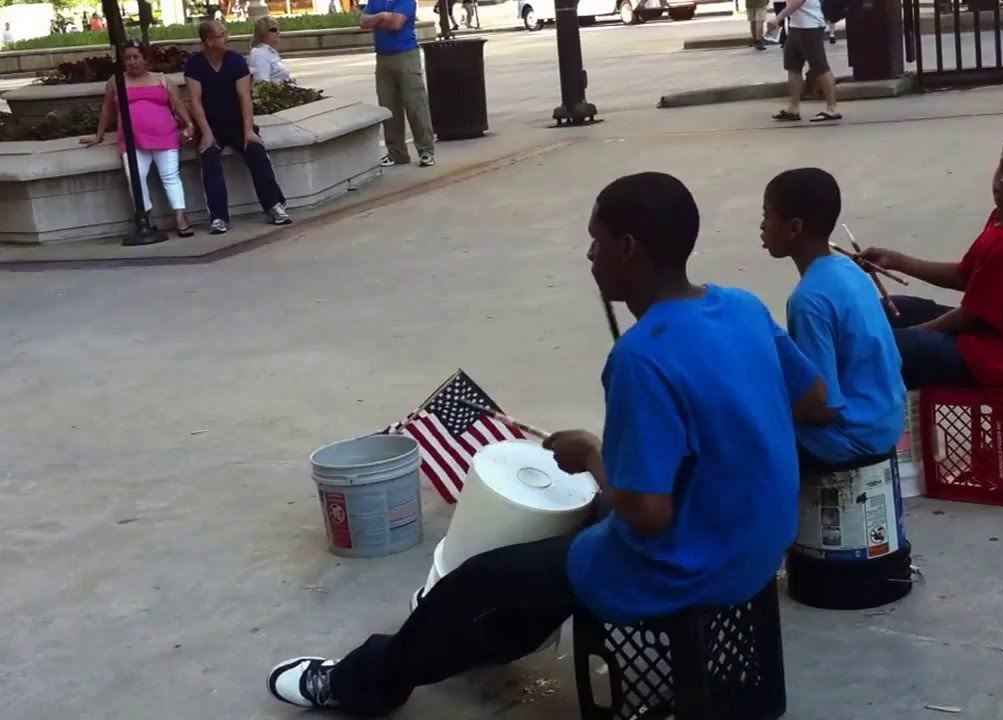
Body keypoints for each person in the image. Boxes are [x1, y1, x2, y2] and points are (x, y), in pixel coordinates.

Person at [266, 171, 832, 715]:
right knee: (548, 556)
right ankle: (491, 639)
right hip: (761, 543)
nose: (589, 255)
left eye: (596, 240)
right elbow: (812, 401)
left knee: (472, 582)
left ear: (627, 247)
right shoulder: (742, 307)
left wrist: (590, 454)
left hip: (690, 564)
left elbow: (648, 515)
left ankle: (363, 684)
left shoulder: (642, 357)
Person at [858, 125, 1003, 390]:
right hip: (993, 336)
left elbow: (971, 317)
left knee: (886, 347)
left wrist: (914, 334)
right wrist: (897, 261)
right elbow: (965, 275)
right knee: (894, 309)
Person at [761, 168, 905, 464]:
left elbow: (823, 408)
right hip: (886, 421)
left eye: (767, 216)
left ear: (794, 227)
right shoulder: (849, 268)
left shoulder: (808, 300)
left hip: (851, 438)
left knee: (742, 428)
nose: (762, 226)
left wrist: (769, 404)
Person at [185, 20, 291, 235]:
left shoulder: (235, 61)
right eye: (223, 34)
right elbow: (194, 101)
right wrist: (205, 133)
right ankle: (218, 217)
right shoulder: (195, 64)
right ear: (209, 41)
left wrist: (248, 130)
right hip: (211, 126)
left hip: (237, 123)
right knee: (210, 157)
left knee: (256, 151)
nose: (228, 37)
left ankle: (274, 205)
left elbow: (245, 97)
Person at [82, 40, 196, 237]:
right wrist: (98, 135)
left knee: (170, 175)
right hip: (132, 139)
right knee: (135, 177)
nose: (132, 62)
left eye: (136, 57)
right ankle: (145, 216)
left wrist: (189, 125)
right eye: (128, 58)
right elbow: (107, 109)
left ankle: (180, 216)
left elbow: (178, 104)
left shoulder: (162, 80)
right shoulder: (115, 81)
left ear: (145, 59)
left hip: (164, 135)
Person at [362, 0, 436, 168]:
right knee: (389, 106)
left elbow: (396, 23)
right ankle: (396, 153)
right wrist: (383, 16)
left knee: (415, 104)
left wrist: (378, 20)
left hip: (406, 55)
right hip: (382, 57)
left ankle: (426, 150)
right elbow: (363, 22)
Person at [768, 0, 840, 122]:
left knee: (820, 67)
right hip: (796, 26)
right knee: (793, 67)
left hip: (810, 26)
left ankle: (832, 108)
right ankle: (793, 108)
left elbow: (797, 2)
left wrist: (778, 18)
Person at [248, 16, 292, 83]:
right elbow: (262, 82)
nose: (278, 32)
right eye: (273, 30)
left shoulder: (271, 52)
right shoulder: (259, 54)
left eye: (278, 29)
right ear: (263, 33)